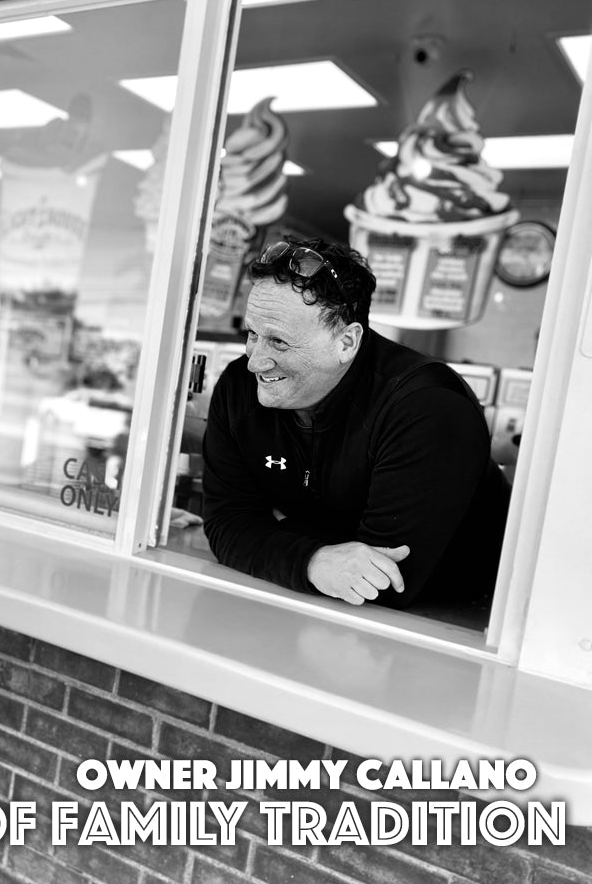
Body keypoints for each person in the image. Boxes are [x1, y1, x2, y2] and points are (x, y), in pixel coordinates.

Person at [202, 238, 510, 609]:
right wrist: (314, 561)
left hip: (459, 624)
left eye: (279, 342)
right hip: (323, 611)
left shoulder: (427, 406)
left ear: (346, 342)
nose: (255, 361)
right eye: (252, 334)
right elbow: (227, 524)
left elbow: (386, 581)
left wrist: (280, 542)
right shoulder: (240, 389)